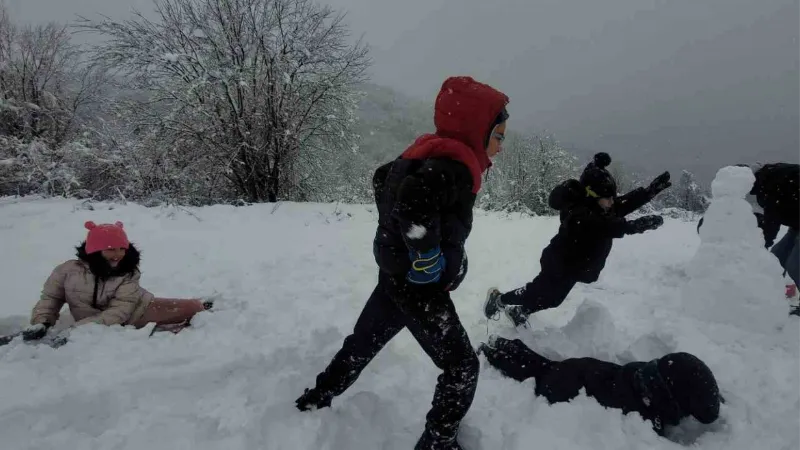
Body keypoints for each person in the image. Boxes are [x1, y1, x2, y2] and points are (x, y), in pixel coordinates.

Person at [295, 76, 510, 450]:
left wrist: (395, 240)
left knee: (363, 342)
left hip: (395, 278)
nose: (501, 146)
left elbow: (384, 179)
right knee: (462, 368)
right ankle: (437, 444)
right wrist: (426, 258)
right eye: (499, 135)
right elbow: (414, 200)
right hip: (418, 288)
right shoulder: (454, 167)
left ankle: (317, 395)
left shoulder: (423, 153)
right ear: (478, 131)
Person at [484, 153, 671, 327]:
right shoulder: (580, 215)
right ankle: (499, 299)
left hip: (575, 266)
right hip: (559, 262)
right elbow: (607, 226)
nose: (612, 202)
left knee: (553, 299)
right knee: (537, 292)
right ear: (592, 196)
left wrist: (649, 192)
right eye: (608, 198)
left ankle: (521, 312)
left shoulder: (600, 206)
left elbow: (622, 205)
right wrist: (635, 226)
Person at [478, 336, 721, 436]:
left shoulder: (641, 373)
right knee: (533, 373)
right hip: (569, 386)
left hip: (588, 369)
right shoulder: (645, 413)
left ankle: (503, 344)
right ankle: (493, 353)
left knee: (543, 365)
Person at [21, 221, 212, 342]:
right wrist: (42, 322)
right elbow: (50, 298)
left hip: (137, 310)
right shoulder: (68, 270)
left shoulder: (128, 272)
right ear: (95, 250)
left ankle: (204, 306)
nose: (118, 255)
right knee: (190, 307)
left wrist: (80, 329)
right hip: (101, 319)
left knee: (194, 307)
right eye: (111, 249)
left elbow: (121, 310)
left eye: (122, 249)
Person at [749, 163, 800, 308]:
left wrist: (761, 246)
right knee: (777, 257)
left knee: (795, 265)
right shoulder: (770, 175)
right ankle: (771, 295)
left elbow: (772, 222)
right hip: (797, 224)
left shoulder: (769, 185)